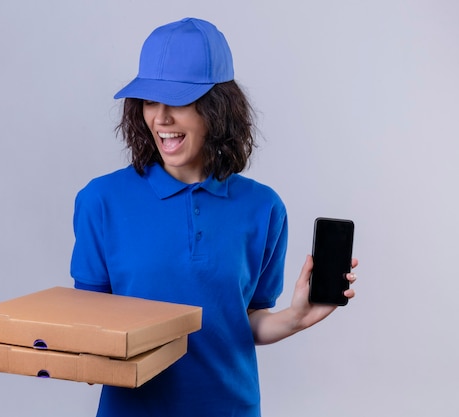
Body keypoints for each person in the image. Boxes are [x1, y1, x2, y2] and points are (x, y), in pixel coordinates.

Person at [70, 17, 357, 417]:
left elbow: (248, 321)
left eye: (180, 101)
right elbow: (87, 322)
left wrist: (295, 318)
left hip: (231, 408)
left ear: (218, 108)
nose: (161, 118)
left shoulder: (263, 208)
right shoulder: (101, 200)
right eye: (150, 100)